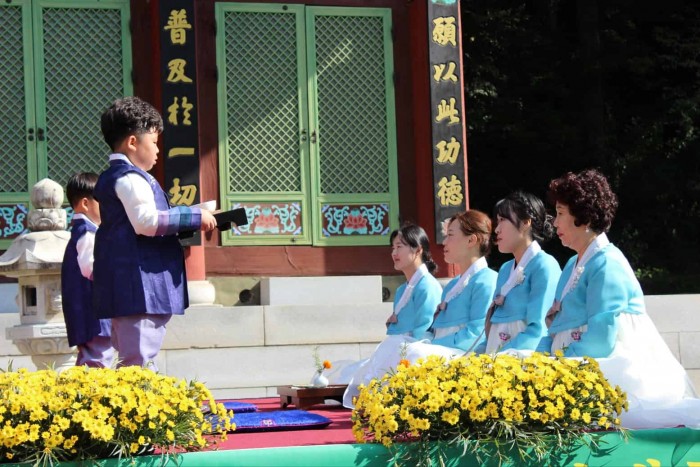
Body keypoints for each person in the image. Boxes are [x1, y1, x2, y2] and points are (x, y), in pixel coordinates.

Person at [540, 168, 700, 429]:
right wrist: (538, 359)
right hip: (574, 366)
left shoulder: (607, 262)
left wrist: (557, 366)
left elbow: (601, 340)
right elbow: (554, 329)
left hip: (613, 372)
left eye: (560, 213)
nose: (555, 223)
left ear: (583, 215)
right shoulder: (570, 265)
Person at [92, 96, 217, 370]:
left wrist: (190, 215)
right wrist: (194, 216)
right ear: (132, 142)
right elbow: (146, 222)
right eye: (154, 142)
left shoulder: (123, 176)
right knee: (138, 362)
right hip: (138, 286)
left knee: (137, 359)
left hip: (133, 285)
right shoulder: (129, 177)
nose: (158, 150)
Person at [342, 210, 497, 408]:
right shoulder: (452, 285)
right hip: (442, 347)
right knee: (393, 346)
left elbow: (477, 333)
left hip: (464, 352)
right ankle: (378, 405)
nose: (444, 242)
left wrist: (431, 344)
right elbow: (433, 328)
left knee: (413, 353)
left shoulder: (487, 280)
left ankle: (392, 406)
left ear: (471, 240)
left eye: (450, 235)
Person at [475, 191, 560, 354]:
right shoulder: (505, 269)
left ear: (526, 222)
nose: (497, 229)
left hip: (521, 360)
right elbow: (491, 334)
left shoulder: (544, 265)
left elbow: (538, 330)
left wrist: (499, 360)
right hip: (497, 358)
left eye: (503, 220)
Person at [61, 172, 115, 367]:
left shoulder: (84, 232)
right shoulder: (87, 234)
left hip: (89, 311)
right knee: (97, 360)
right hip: (94, 313)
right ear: (85, 203)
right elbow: (90, 269)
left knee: (94, 358)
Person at [385, 224, 443, 338]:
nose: (394, 253)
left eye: (399, 247)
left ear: (418, 250)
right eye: (393, 248)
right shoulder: (401, 290)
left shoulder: (427, 286)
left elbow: (424, 332)